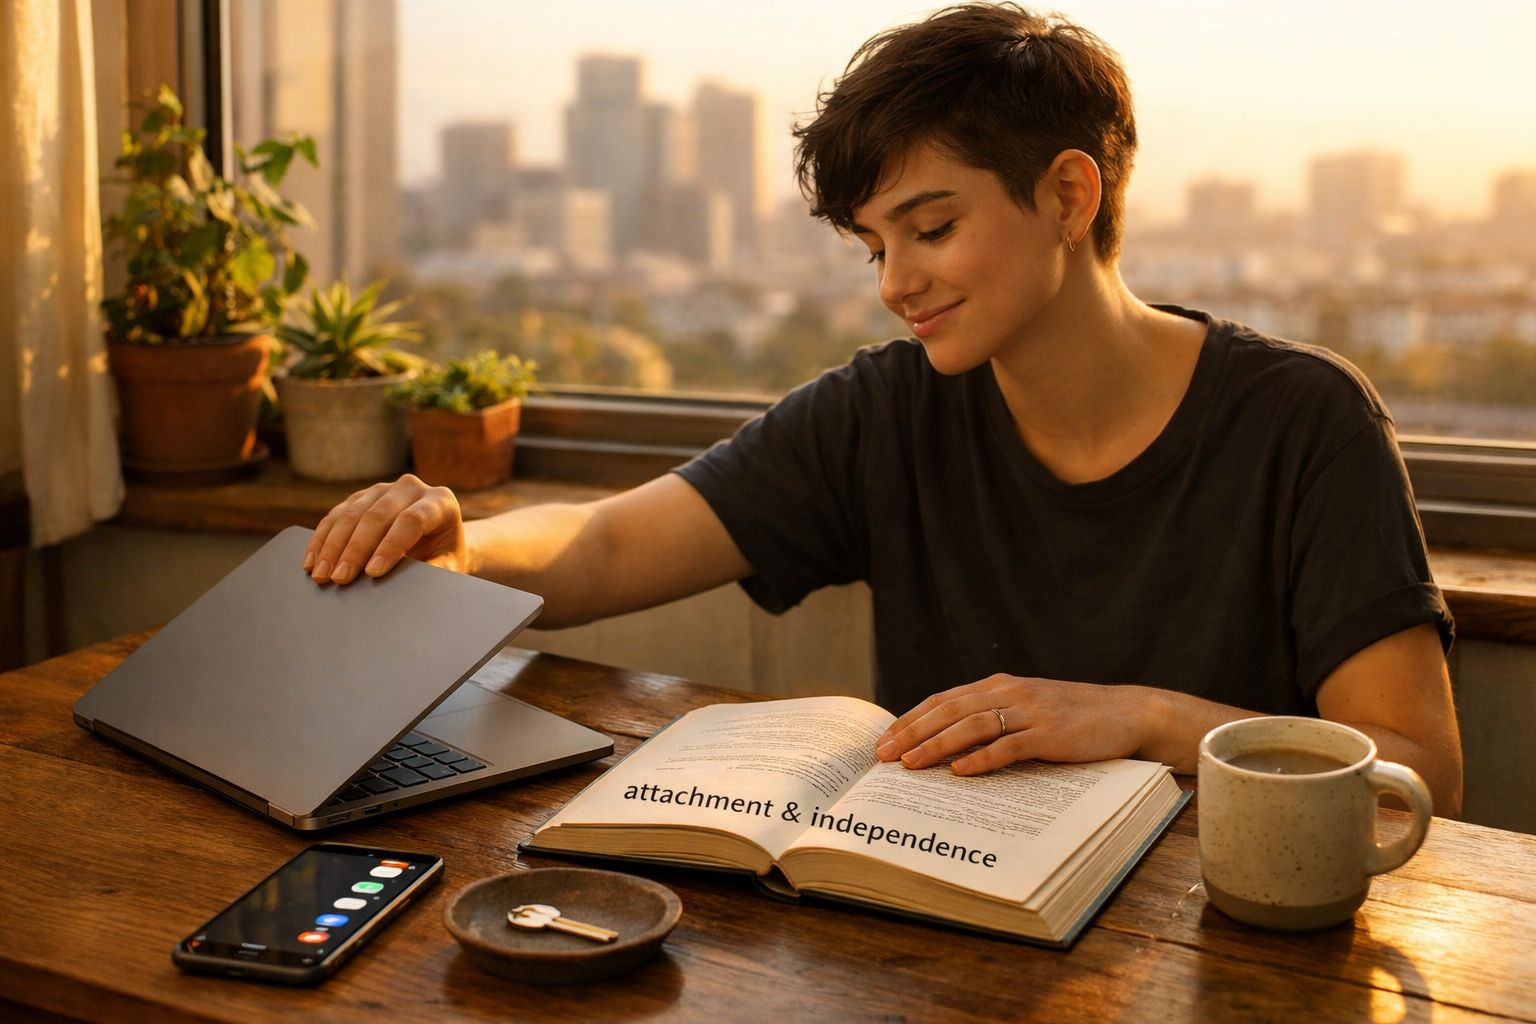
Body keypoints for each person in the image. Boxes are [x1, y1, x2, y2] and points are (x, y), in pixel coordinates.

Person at [304, 3, 1463, 815]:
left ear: (1069, 194)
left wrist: (1139, 719)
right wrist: (459, 548)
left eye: (933, 226)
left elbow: (1420, 774)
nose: (896, 281)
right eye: (875, 244)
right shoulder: (888, 409)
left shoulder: (1305, 421)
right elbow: (611, 539)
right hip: (941, 921)